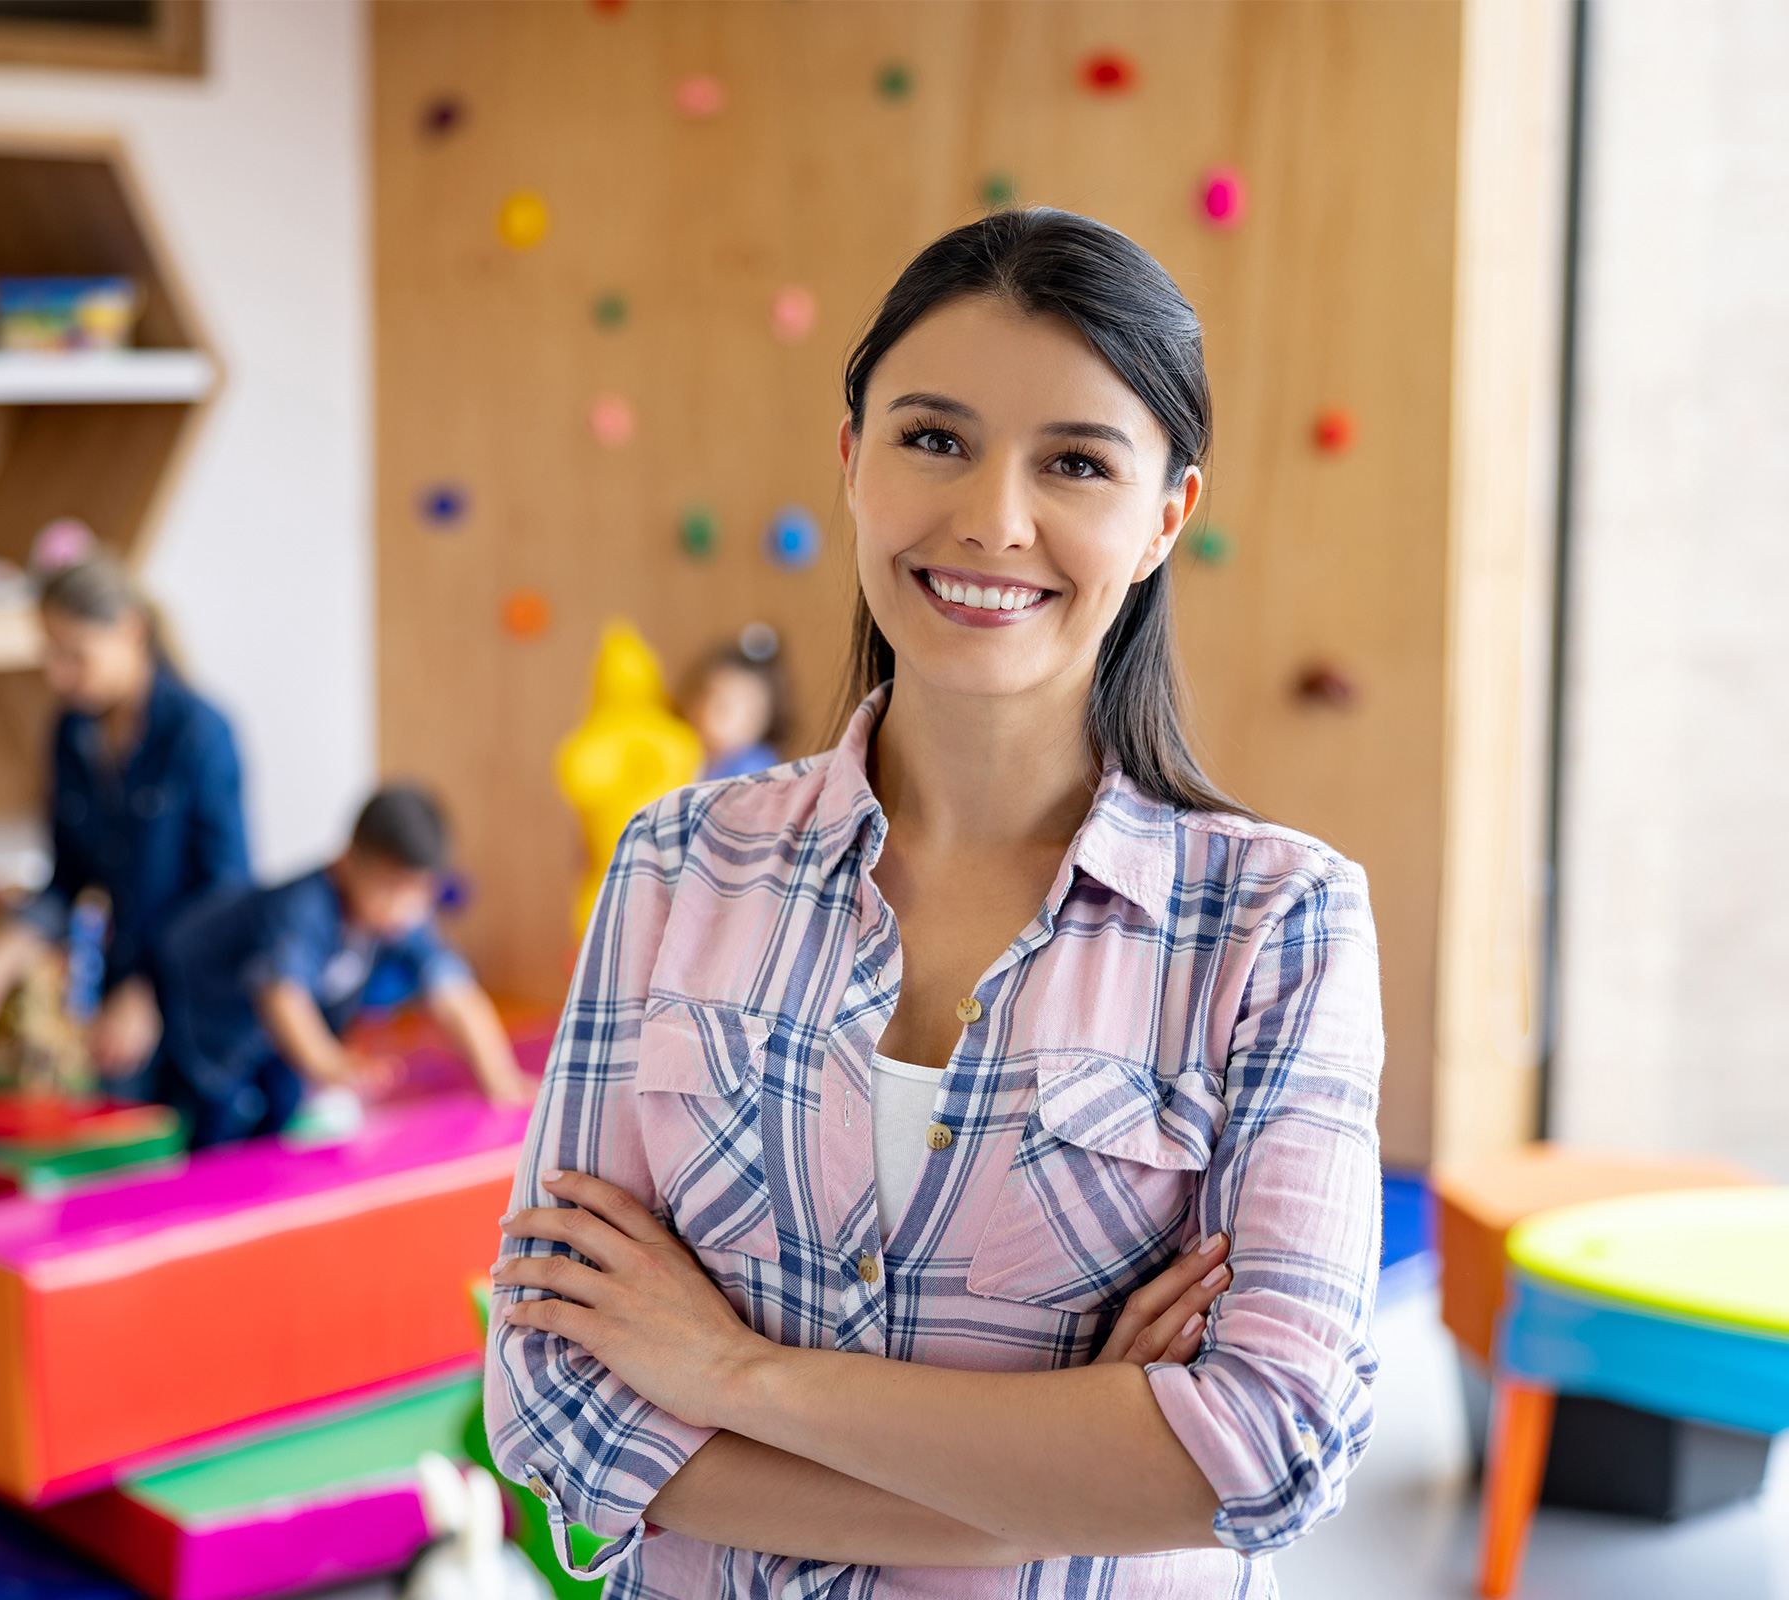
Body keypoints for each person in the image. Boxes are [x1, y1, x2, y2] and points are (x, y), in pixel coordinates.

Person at [488, 208, 1383, 1597]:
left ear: (1165, 518)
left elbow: (1269, 1449)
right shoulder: (676, 864)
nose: (992, 519)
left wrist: (733, 1375)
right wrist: (1064, 1481)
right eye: (934, 438)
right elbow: (551, 1397)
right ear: (853, 461)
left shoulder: (1280, 925)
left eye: (1075, 463)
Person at [0, 557, 250, 1088]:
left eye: (75, 655)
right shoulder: (70, 733)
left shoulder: (200, 732)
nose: (57, 674)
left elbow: (227, 891)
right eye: (50, 654)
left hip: (193, 997)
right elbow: (69, 880)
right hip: (113, 986)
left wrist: (150, 991)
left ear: (130, 631)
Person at [155, 784, 534, 1148]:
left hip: (270, 1043)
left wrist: (499, 1078)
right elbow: (282, 996)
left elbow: (454, 992)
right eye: (389, 886)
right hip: (201, 1011)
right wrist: (331, 1064)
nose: (403, 907)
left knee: (278, 1112)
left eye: (419, 892)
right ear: (345, 862)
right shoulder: (305, 909)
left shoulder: (404, 920)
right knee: (218, 1121)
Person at [682, 626, 791, 781]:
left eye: (722, 707)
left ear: (759, 720)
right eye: (702, 696)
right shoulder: (691, 752)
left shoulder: (754, 767)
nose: (705, 712)